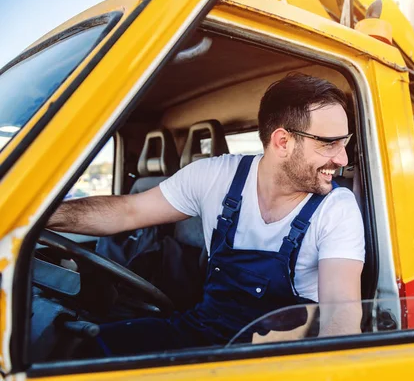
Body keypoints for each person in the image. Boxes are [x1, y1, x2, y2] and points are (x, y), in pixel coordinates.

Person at [47, 73, 365, 355]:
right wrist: (35, 217)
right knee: (84, 349)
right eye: (330, 144)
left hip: (275, 356)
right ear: (282, 142)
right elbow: (127, 212)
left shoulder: (337, 209)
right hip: (201, 334)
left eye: (345, 142)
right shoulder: (214, 176)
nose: (342, 158)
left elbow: (341, 316)